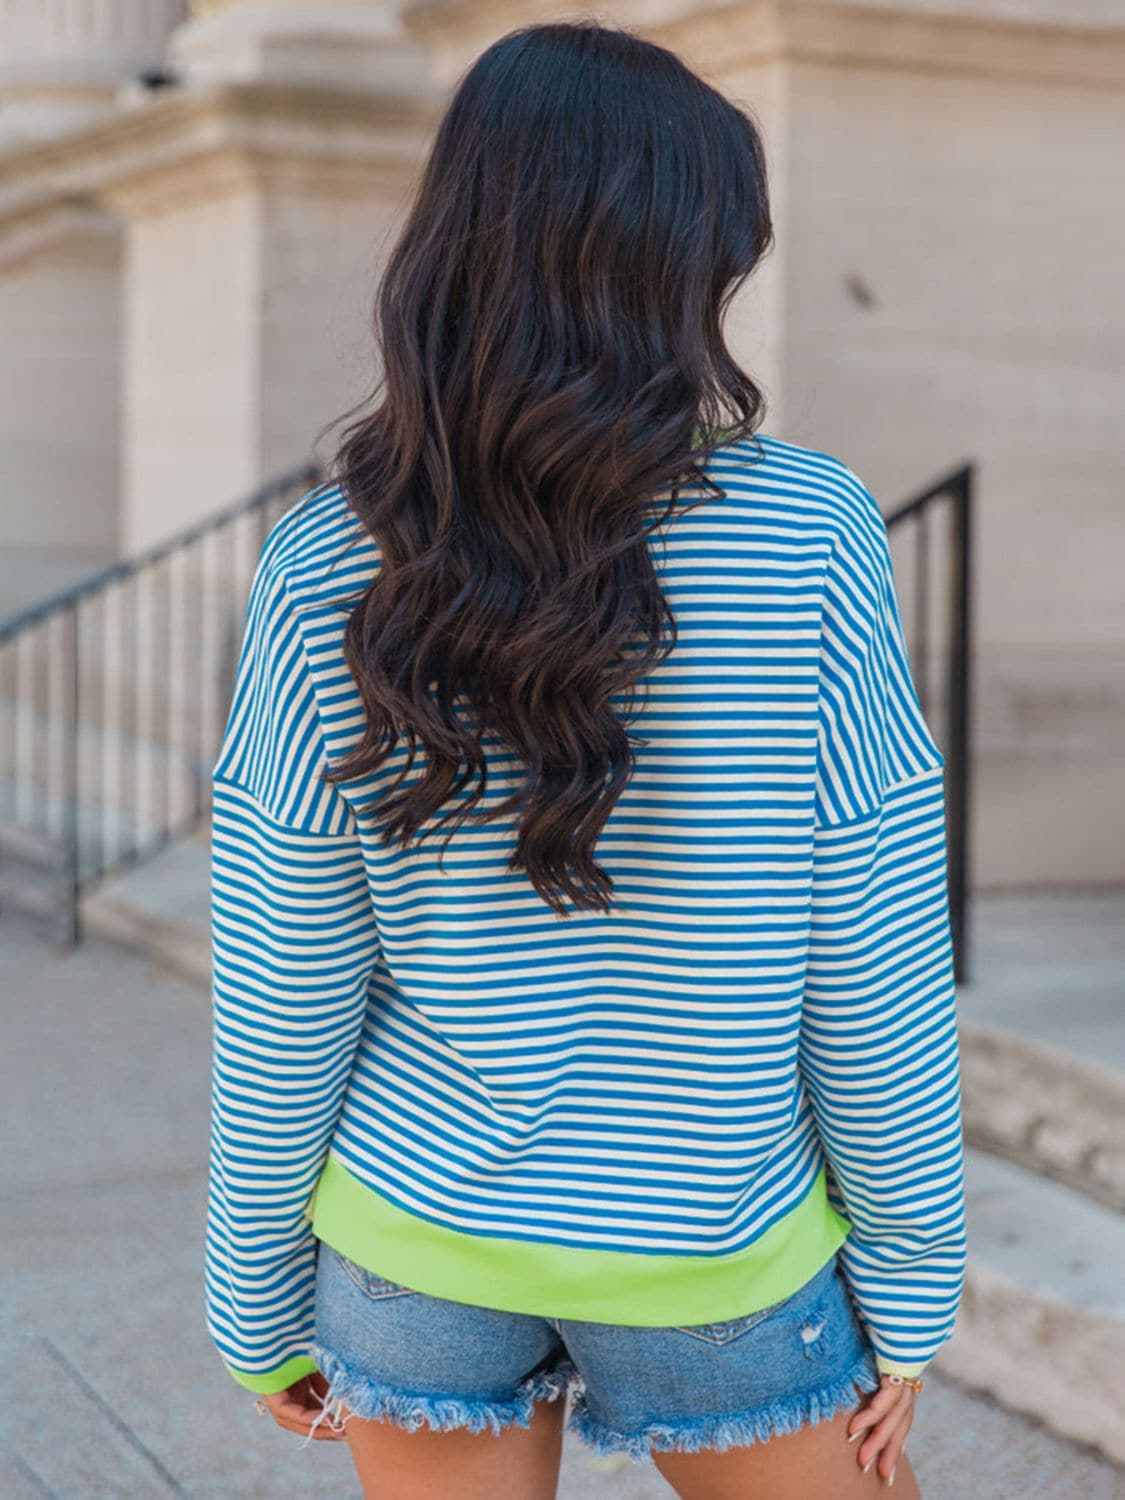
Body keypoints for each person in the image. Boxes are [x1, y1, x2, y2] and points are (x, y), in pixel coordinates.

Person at [204, 19, 967, 1500]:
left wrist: (250, 1295)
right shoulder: (805, 535)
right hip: (714, 1253)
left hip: (410, 1244)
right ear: (673, 269)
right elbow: (869, 950)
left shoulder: (319, 560)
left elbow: (288, 967)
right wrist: (913, 1277)